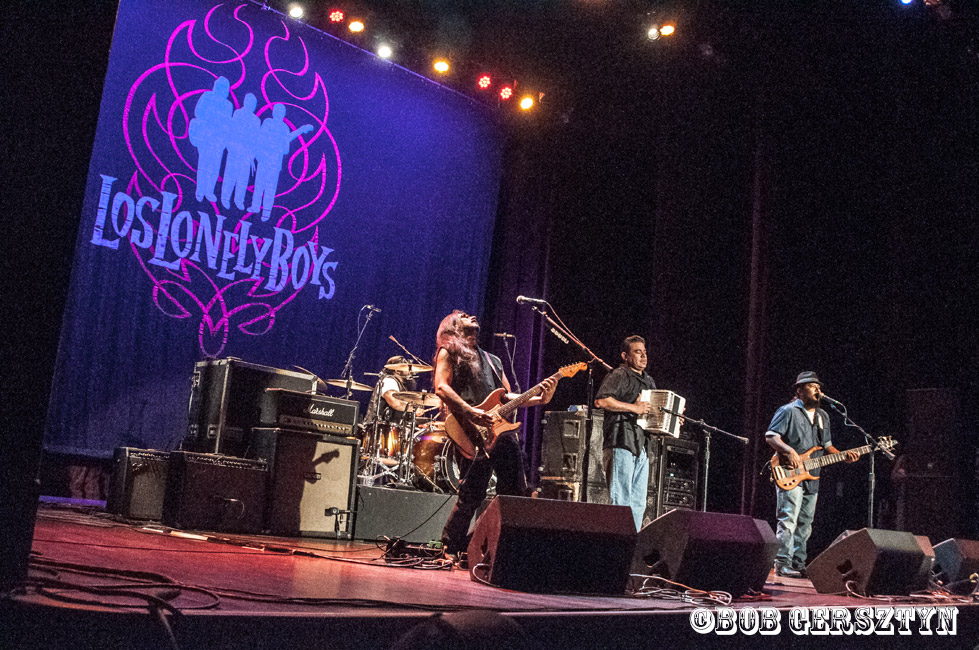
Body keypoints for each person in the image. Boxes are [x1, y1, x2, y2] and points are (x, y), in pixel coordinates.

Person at [433, 310, 557, 557]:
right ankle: (451, 545)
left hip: (499, 430)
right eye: (463, 316)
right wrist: (472, 413)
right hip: (468, 430)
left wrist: (539, 398)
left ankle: (501, 544)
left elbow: (506, 397)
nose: (472, 316)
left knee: (514, 491)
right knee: (472, 493)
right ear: (452, 326)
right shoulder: (449, 353)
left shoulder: (493, 360)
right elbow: (441, 387)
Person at [765, 371, 858, 578]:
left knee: (805, 523)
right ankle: (782, 563)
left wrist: (844, 456)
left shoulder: (823, 416)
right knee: (788, 519)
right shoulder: (788, 411)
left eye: (818, 386)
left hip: (812, 475)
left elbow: (828, 447)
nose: (817, 389)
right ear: (799, 391)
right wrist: (789, 451)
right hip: (789, 471)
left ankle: (798, 564)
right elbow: (771, 436)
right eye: (811, 386)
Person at [594, 335, 657, 530]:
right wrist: (633, 408)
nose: (643, 357)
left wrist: (672, 421)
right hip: (620, 441)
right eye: (638, 352)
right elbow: (601, 401)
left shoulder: (648, 381)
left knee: (638, 503)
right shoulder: (619, 375)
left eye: (645, 352)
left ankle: (633, 545)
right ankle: (617, 543)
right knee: (621, 499)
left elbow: (654, 412)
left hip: (641, 447)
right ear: (625, 355)